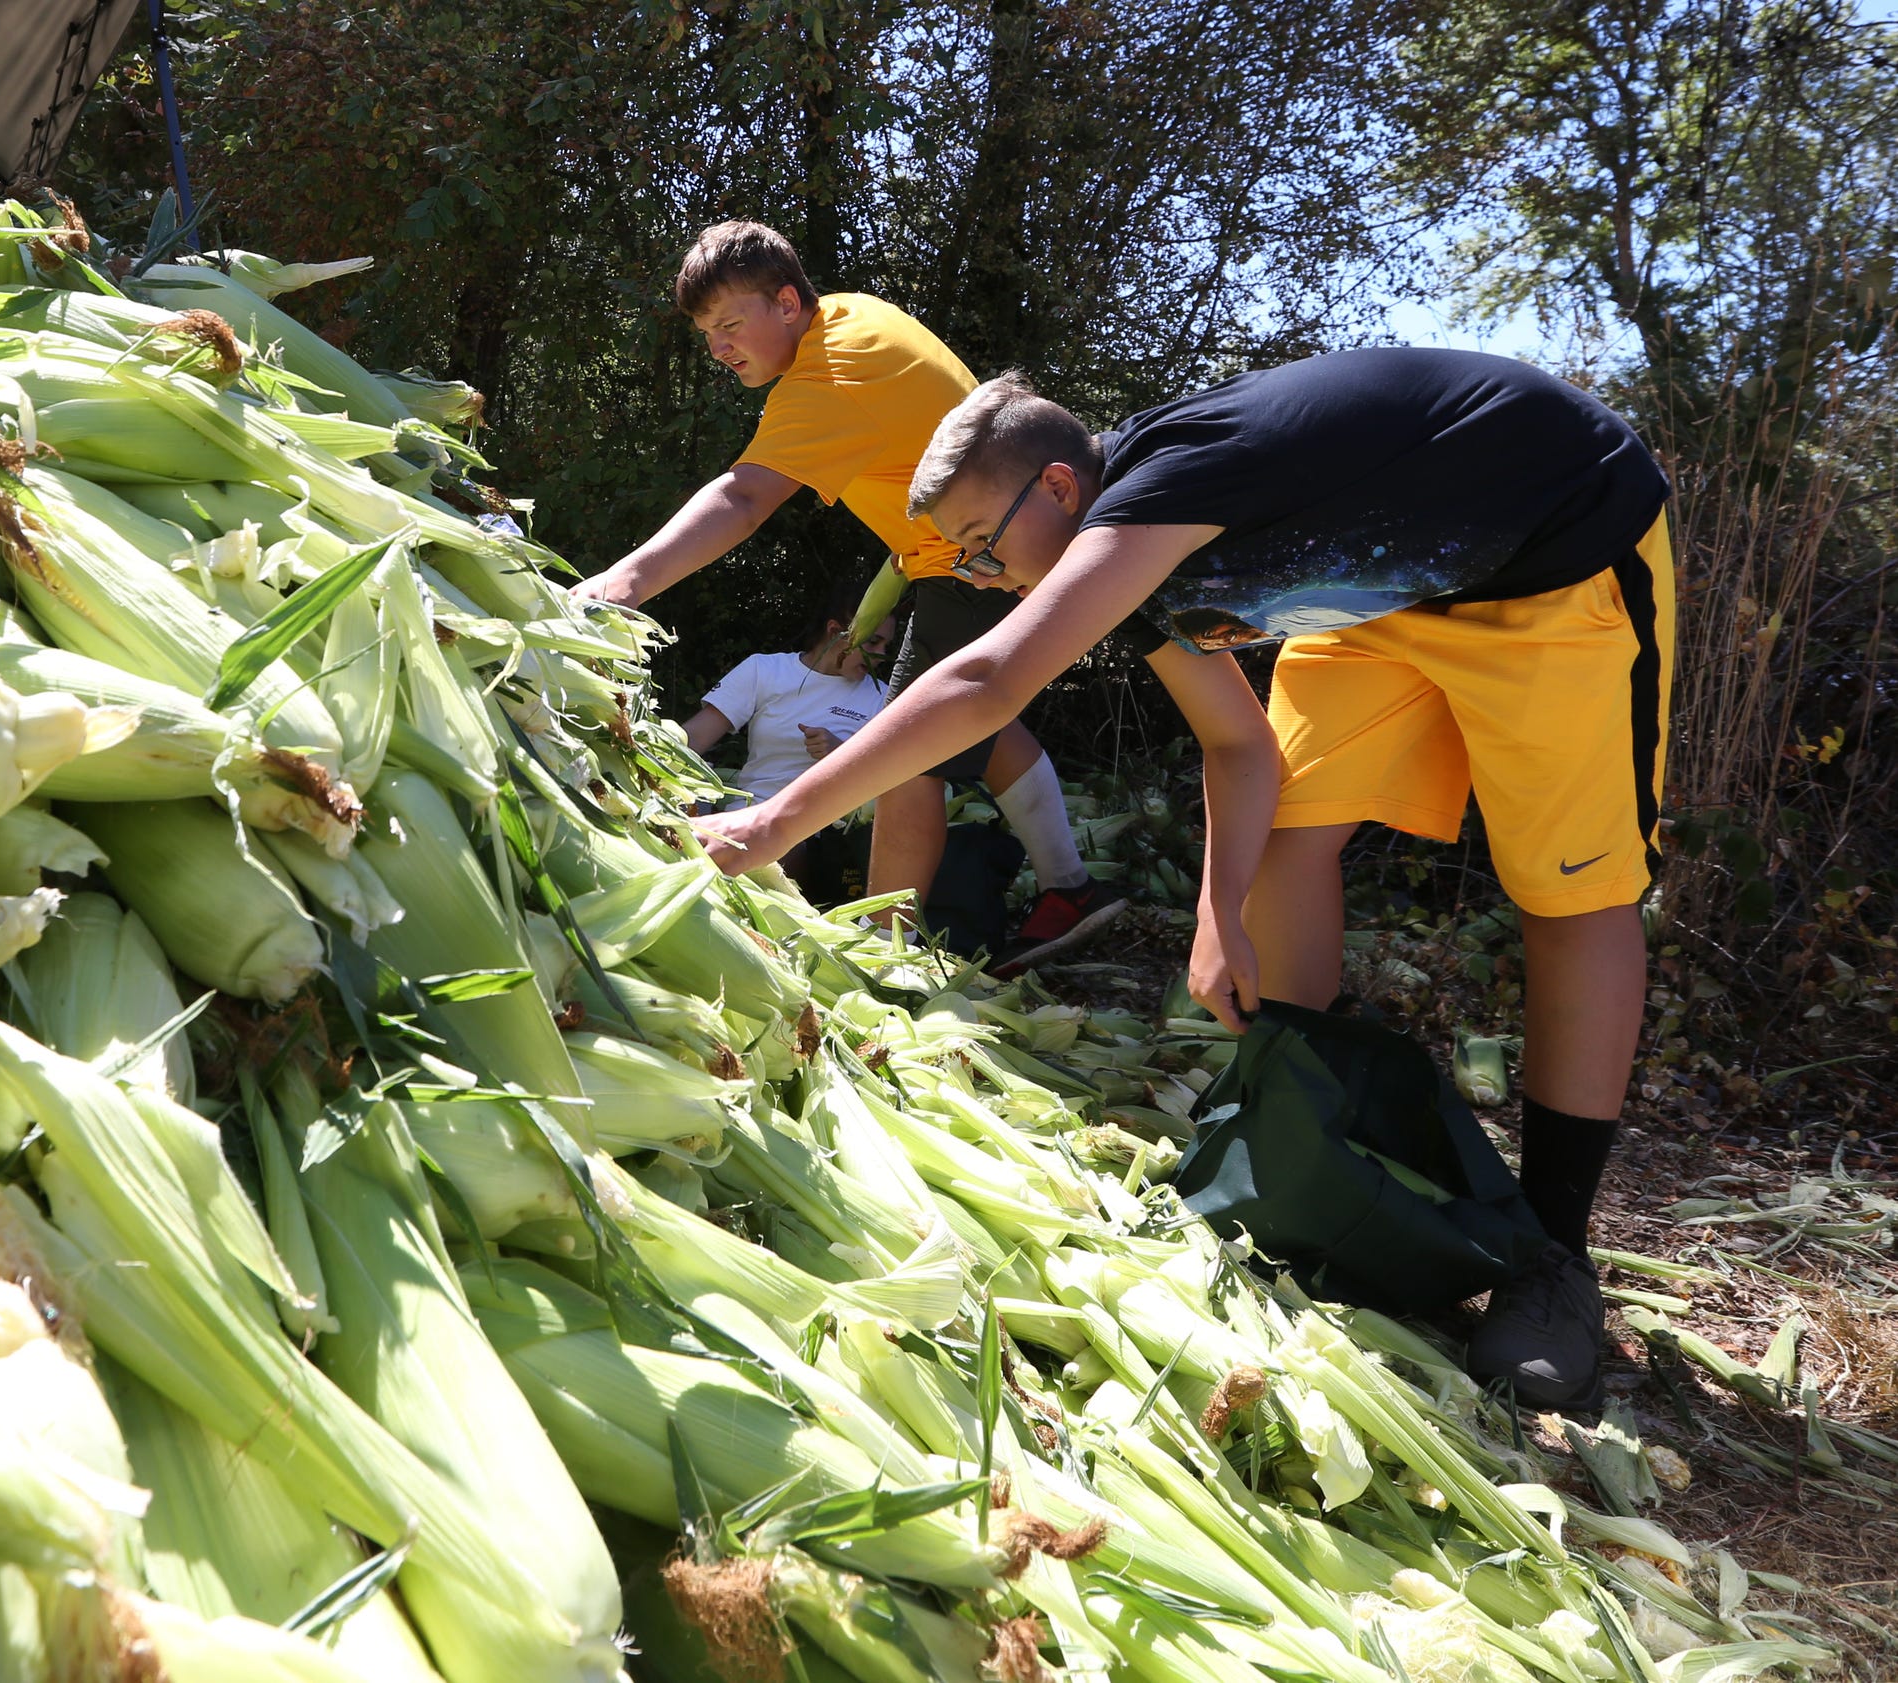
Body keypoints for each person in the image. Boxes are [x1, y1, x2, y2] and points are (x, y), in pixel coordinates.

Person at [693, 350, 1674, 1410]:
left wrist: (772, 821)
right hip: (1380, 608)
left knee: (1569, 894)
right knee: (1291, 837)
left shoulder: (1166, 488)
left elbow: (986, 676)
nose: (982, 579)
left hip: (1553, 557)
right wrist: (1219, 915)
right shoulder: (1145, 560)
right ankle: (1301, 1142)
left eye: (982, 546)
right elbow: (1241, 747)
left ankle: (1556, 1260)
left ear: (1059, 488)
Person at [574, 220, 1117, 960]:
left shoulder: (827, 372)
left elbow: (742, 499)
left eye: (732, 323)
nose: (720, 347)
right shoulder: (856, 315)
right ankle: (1070, 886)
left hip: (983, 554)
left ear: (789, 303)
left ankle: (880, 947)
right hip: (967, 551)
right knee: (974, 730)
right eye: (707, 333)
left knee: (907, 750)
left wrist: (623, 583)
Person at [679, 593, 893, 898]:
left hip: (823, 839)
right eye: (873, 643)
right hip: (746, 815)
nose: (881, 655)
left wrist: (841, 754)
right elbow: (694, 738)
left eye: (887, 645)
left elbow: (891, 784)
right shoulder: (764, 671)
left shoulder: (883, 699)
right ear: (835, 632)